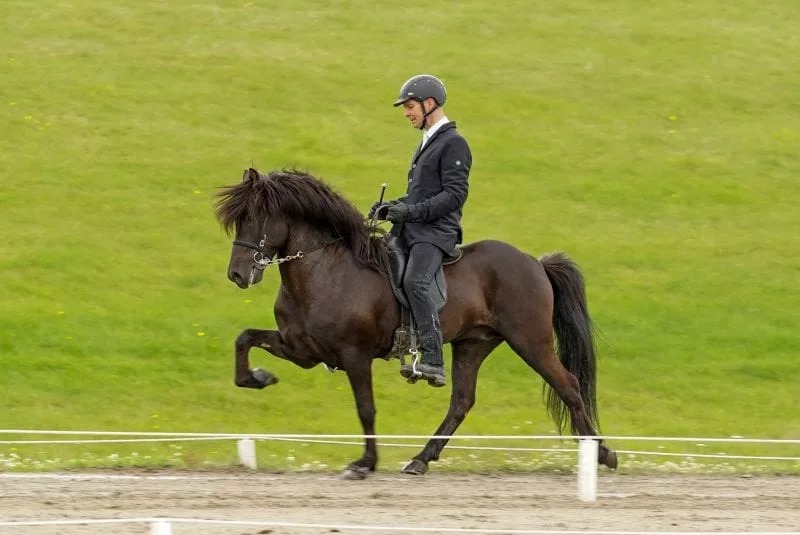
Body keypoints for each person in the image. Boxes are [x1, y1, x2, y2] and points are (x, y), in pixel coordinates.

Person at [370, 74, 472, 388]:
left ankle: (432, 359)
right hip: (414, 228)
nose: (407, 113)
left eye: (411, 106)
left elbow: (454, 195)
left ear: (429, 104)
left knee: (416, 281)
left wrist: (410, 211)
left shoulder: (454, 143)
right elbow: (421, 194)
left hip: (435, 233)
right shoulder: (427, 141)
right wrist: (392, 207)